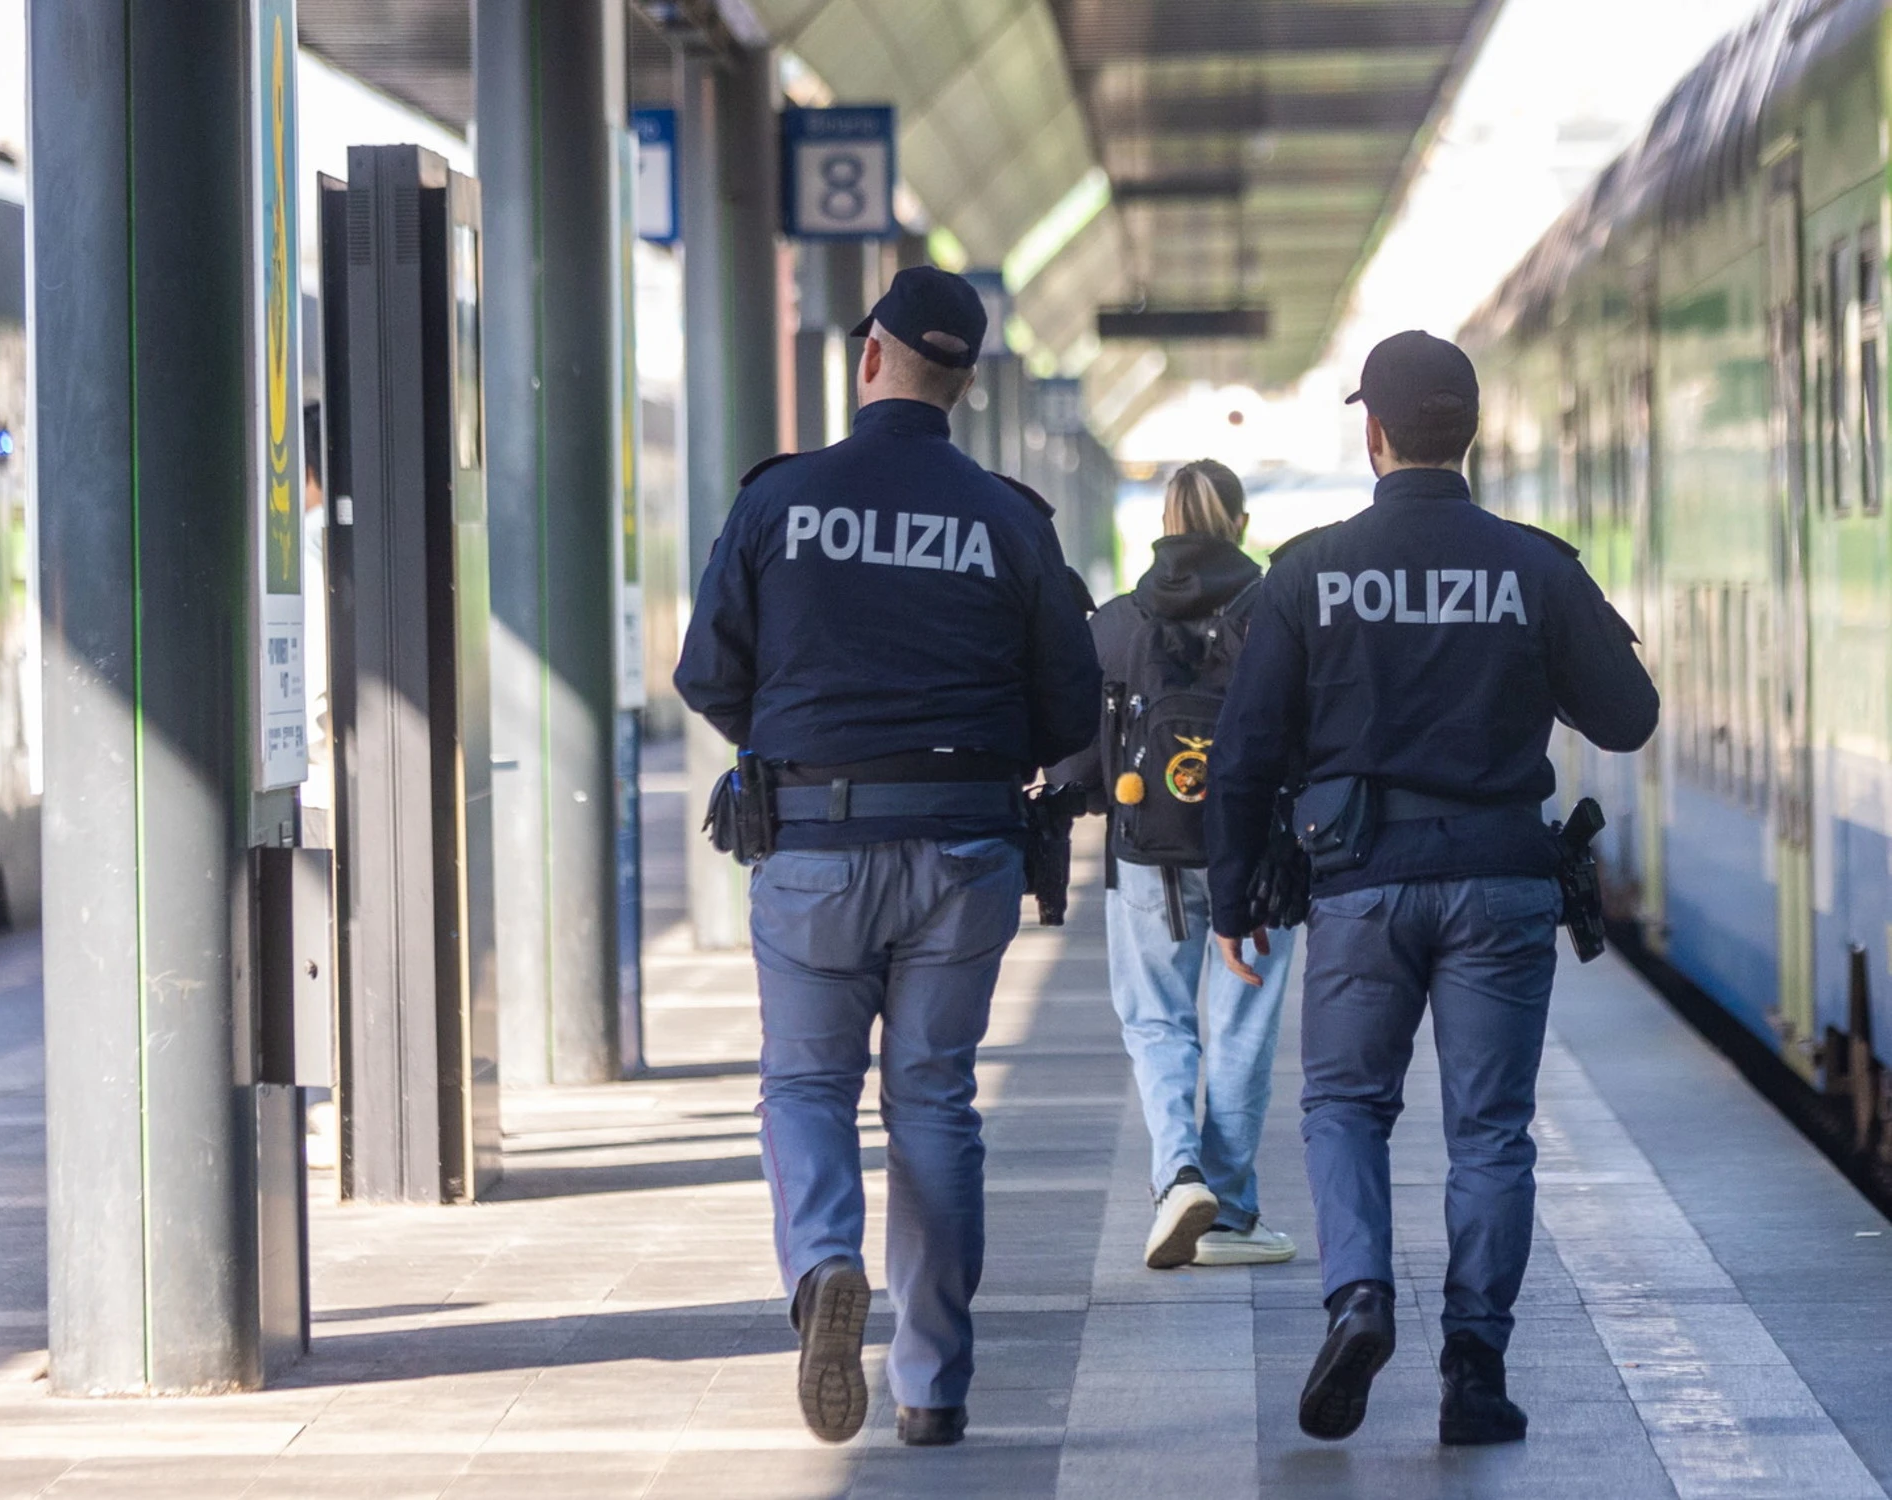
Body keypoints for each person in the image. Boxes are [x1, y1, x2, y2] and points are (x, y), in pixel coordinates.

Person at [674, 266, 1100, 1450]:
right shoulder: (1012, 520)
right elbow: (1071, 710)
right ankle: (932, 1387)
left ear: (870, 358)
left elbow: (709, 674)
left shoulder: (782, 501)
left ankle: (822, 1272)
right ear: (963, 382)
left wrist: (798, 735)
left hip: (812, 843)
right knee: (936, 1104)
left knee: (807, 1085)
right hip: (965, 852)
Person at [1206, 331, 1658, 1447]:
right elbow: (1630, 718)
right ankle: (1475, 1368)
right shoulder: (1537, 566)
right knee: (1492, 1129)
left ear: (1375, 434)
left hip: (1361, 886)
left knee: (1346, 1107)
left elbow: (1246, 748)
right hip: (1503, 883)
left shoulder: (1307, 571)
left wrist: (1229, 901)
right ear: (1472, 432)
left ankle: (1360, 1296)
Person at [1052, 460, 1298, 1272]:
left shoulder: (1120, 622)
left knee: (1158, 1022)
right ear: (1240, 522)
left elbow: (1082, 755)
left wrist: (1073, 793)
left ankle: (1178, 1177)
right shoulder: (1280, 611)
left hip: (1146, 852)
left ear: (1163, 520)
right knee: (1241, 1030)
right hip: (1259, 856)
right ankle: (1229, 1212)